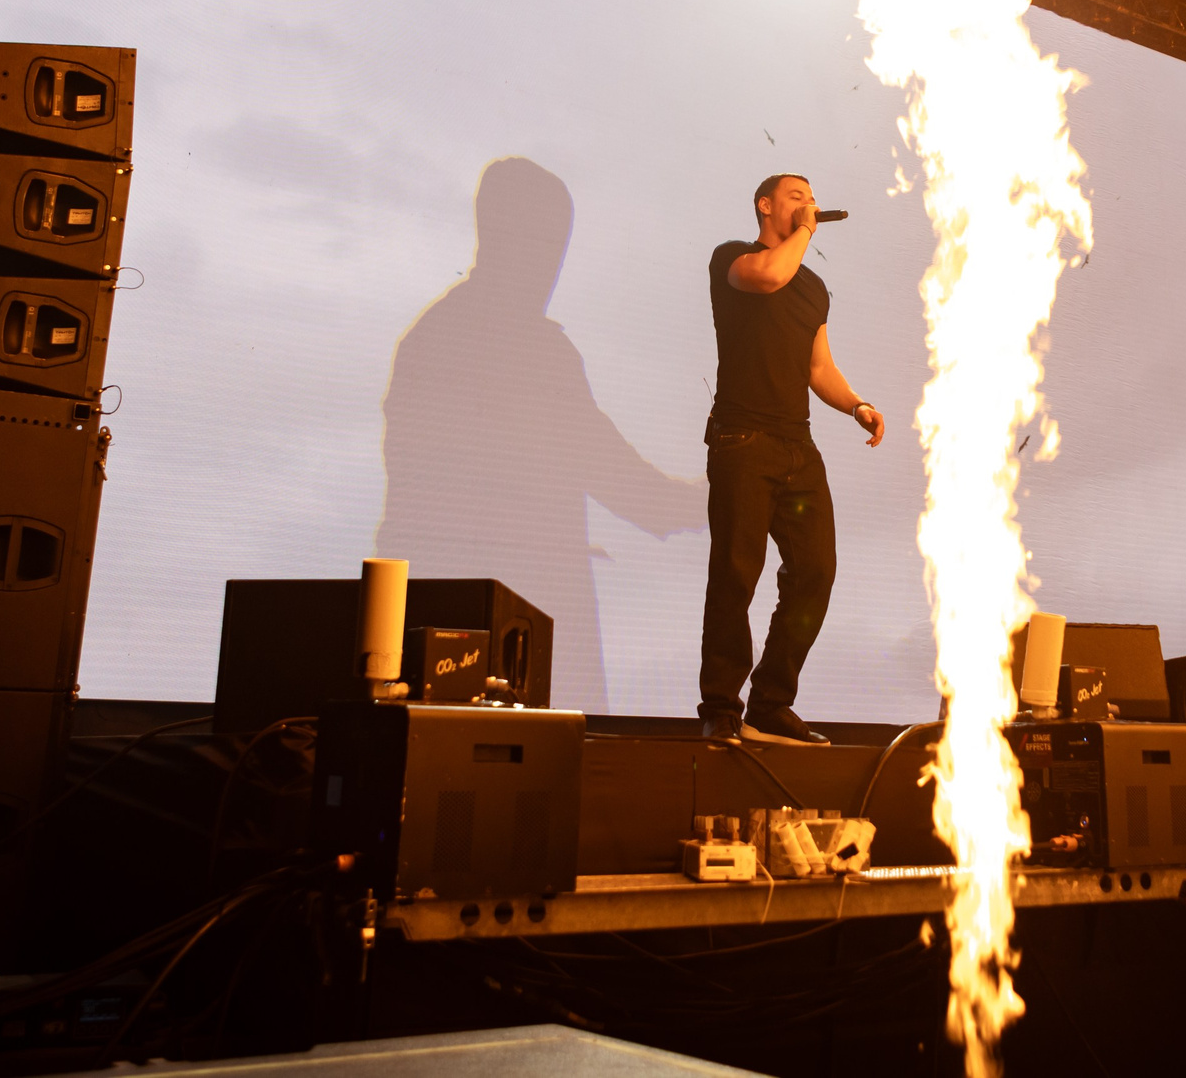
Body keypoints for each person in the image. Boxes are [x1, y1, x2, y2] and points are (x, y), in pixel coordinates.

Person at [375, 158, 701, 713]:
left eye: (558, 245)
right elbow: (616, 476)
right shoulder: (529, 352)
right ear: (501, 236)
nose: (551, 264)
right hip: (505, 633)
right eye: (544, 243)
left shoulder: (433, 336)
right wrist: (720, 499)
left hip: (448, 627)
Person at [698, 173, 885, 745]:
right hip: (742, 440)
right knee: (736, 574)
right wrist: (803, 232)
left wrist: (856, 403)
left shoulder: (814, 287)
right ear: (765, 204)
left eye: (812, 198)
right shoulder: (734, 258)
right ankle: (720, 709)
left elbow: (817, 368)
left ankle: (770, 701)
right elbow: (773, 274)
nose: (810, 205)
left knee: (815, 574)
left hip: (797, 449)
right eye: (797, 196)